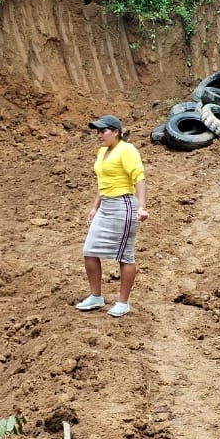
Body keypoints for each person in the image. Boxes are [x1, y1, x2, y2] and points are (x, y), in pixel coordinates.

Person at [76, 115, 148, 318]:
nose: (99, 135)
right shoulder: (102, 152)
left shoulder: (127, 150)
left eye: (103, 131)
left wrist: (142, 207)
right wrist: (94, 208)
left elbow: (139, 178)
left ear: (116, 132)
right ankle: (96, 296)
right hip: (106, 206)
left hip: (123, 206)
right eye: (97, 132)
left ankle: (123, 303)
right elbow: (103, 183)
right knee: (90, 250)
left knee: (125, 255)